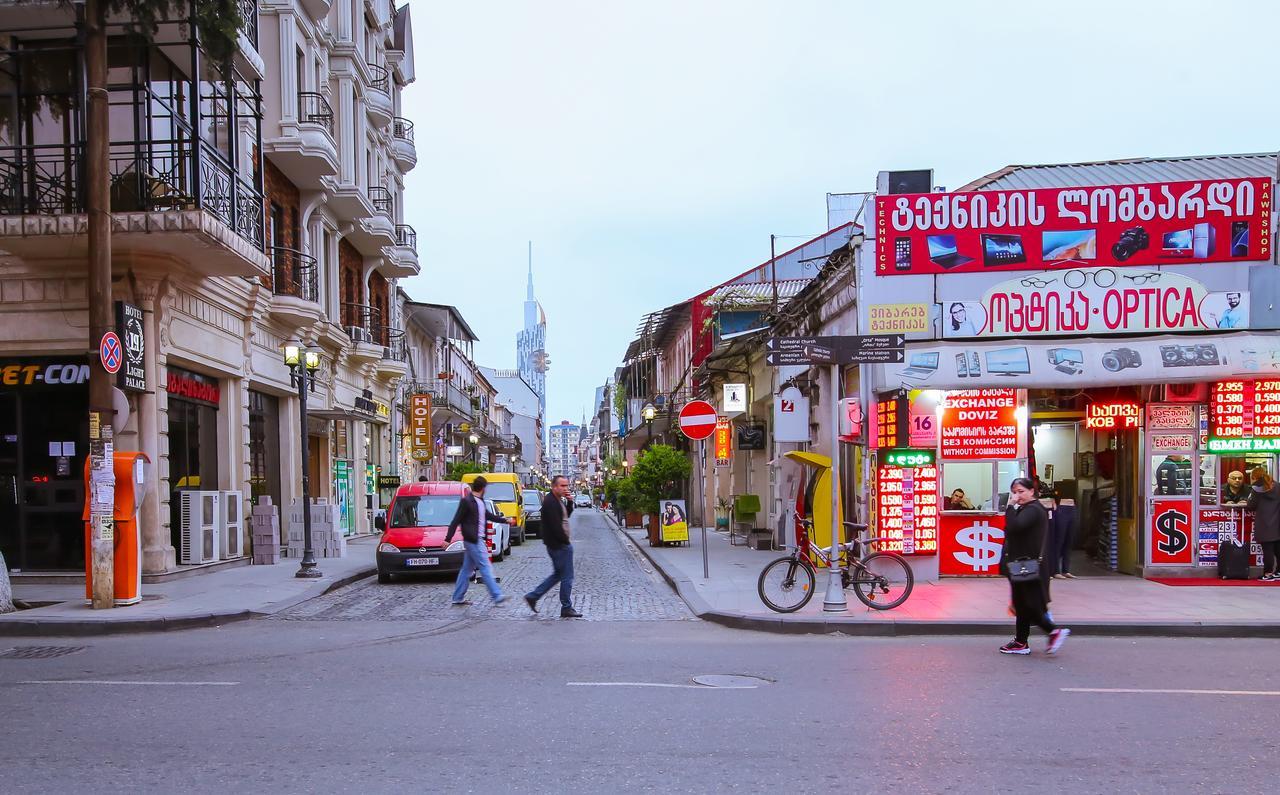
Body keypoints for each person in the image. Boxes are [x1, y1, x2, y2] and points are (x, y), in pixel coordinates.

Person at [999, 477, 1069, 655]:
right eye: (1014, 492)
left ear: (1032, 491)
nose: (1017, 496)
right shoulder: (1028, 509)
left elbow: (1014, 527)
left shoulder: (1033, 510)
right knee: (1022, 604)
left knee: (1029, 605)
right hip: (1022, 565)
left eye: (1021, 492)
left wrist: (1009, 506)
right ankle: (1021, 642)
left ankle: (1053, 631)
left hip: (1027, 566)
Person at [444, 477, 510, 606]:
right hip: (473, 540)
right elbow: (456, 520)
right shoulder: (467, 501)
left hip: (475, 539)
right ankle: (496, 596)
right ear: (483, 488)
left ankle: (458, 597)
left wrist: (504, 520)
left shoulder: (479, 501)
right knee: (485, 565)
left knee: (466, 570)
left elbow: (488, 515)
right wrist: (447, 539)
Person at [525, 475, 583, 617]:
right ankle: (566, 607)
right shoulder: (550, 502)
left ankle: (533, 596)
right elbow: (556, 527)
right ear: (554, 486)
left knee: (558, 575)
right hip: (559, 545)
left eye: (566, 486)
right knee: (567, 576)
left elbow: (566, 516)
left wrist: (570, 502)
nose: (565, 489)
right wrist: (565, 542)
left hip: (556, 544)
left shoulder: (557, 501)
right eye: (562, 486)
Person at [1247, 466, 1280, 581]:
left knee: (1267, 551)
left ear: (1254, 477)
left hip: (1264, 523)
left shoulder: (1257, 489)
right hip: (1277, 523)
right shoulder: (1277, 485)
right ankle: (1278, 572)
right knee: (1277, 549)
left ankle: (1267, 574)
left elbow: (1250, 505)